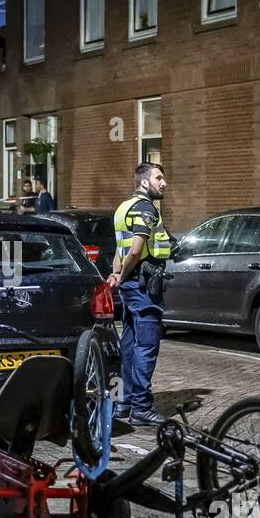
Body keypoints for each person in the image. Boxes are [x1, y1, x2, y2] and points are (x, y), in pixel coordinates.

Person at [109, 162, 173, 427]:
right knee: (146, 347)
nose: (164, 183)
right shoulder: (145, 209)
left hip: (129, 287)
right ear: (145, 183)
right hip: (142, 286)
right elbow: (134, 251)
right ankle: (141, 408)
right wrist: (123, 277)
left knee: (128, 346)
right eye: (159, 178)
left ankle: (121, 404)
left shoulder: (123, 208)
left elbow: (119, 251)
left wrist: (116, 276)